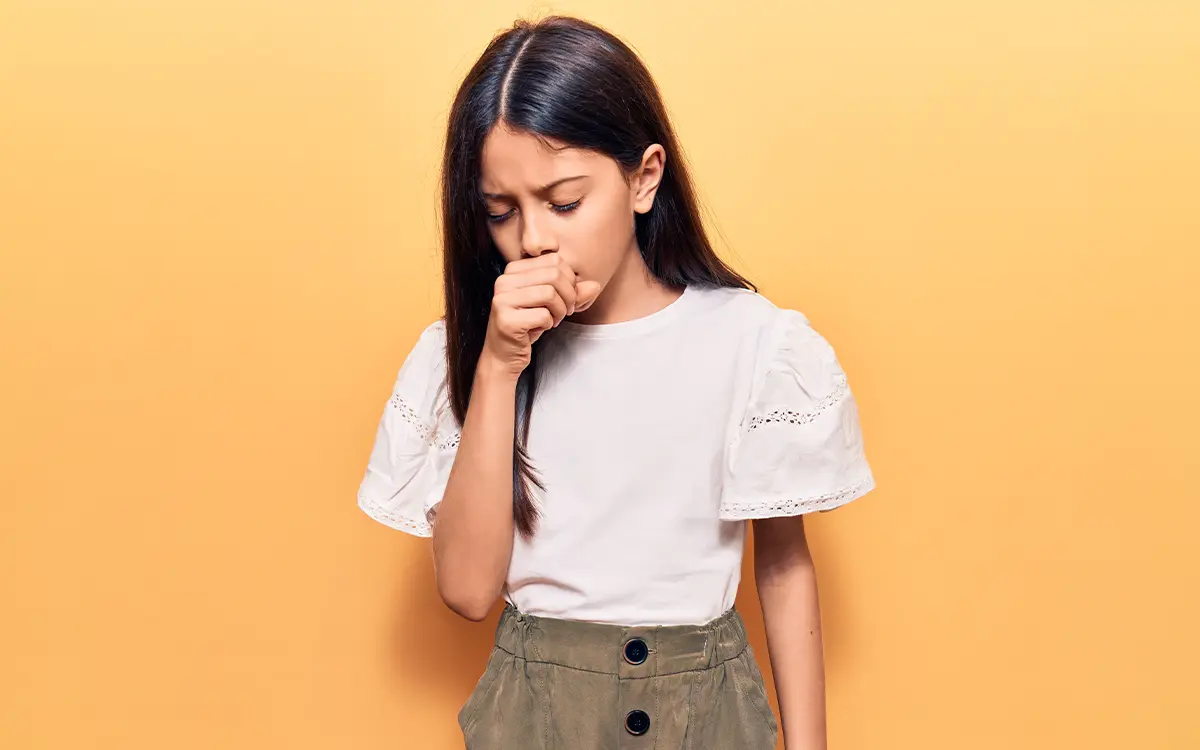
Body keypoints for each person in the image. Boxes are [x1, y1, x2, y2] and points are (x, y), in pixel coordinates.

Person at [358, 14, 875, 750]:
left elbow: (785, 565)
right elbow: (468, 593)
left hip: (710, 719)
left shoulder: (752, 343)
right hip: (534, 721)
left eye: (564, 202)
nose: (533, 239)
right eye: (500, 212)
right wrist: (500, 365)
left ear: (644, 177)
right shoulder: (468, 353)